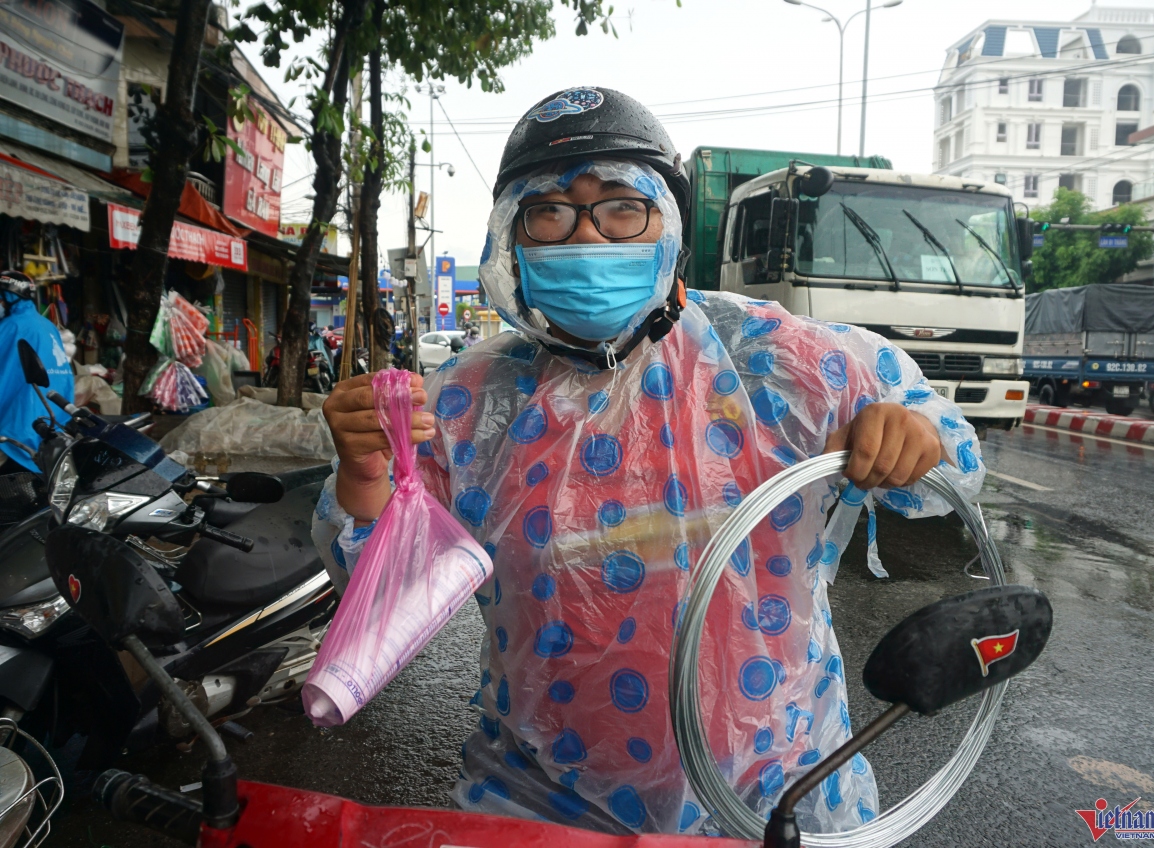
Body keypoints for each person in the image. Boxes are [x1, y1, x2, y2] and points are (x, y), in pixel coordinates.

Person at [314, 88, 984, 836]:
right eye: (551, 213)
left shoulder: (781, 363)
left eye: (623, 208)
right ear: (516, 240)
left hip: (774, 794)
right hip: (540, 802)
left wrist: (904, 436)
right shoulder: (470, 405)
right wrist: (368, 474)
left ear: (669, 224)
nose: (588, 239)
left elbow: (947, 469)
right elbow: (378, 587)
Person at [0, 271, 74, 472]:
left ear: (11, 297)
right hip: (52, 421)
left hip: (18, 424)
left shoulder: (11, 327)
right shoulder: (47, 325)